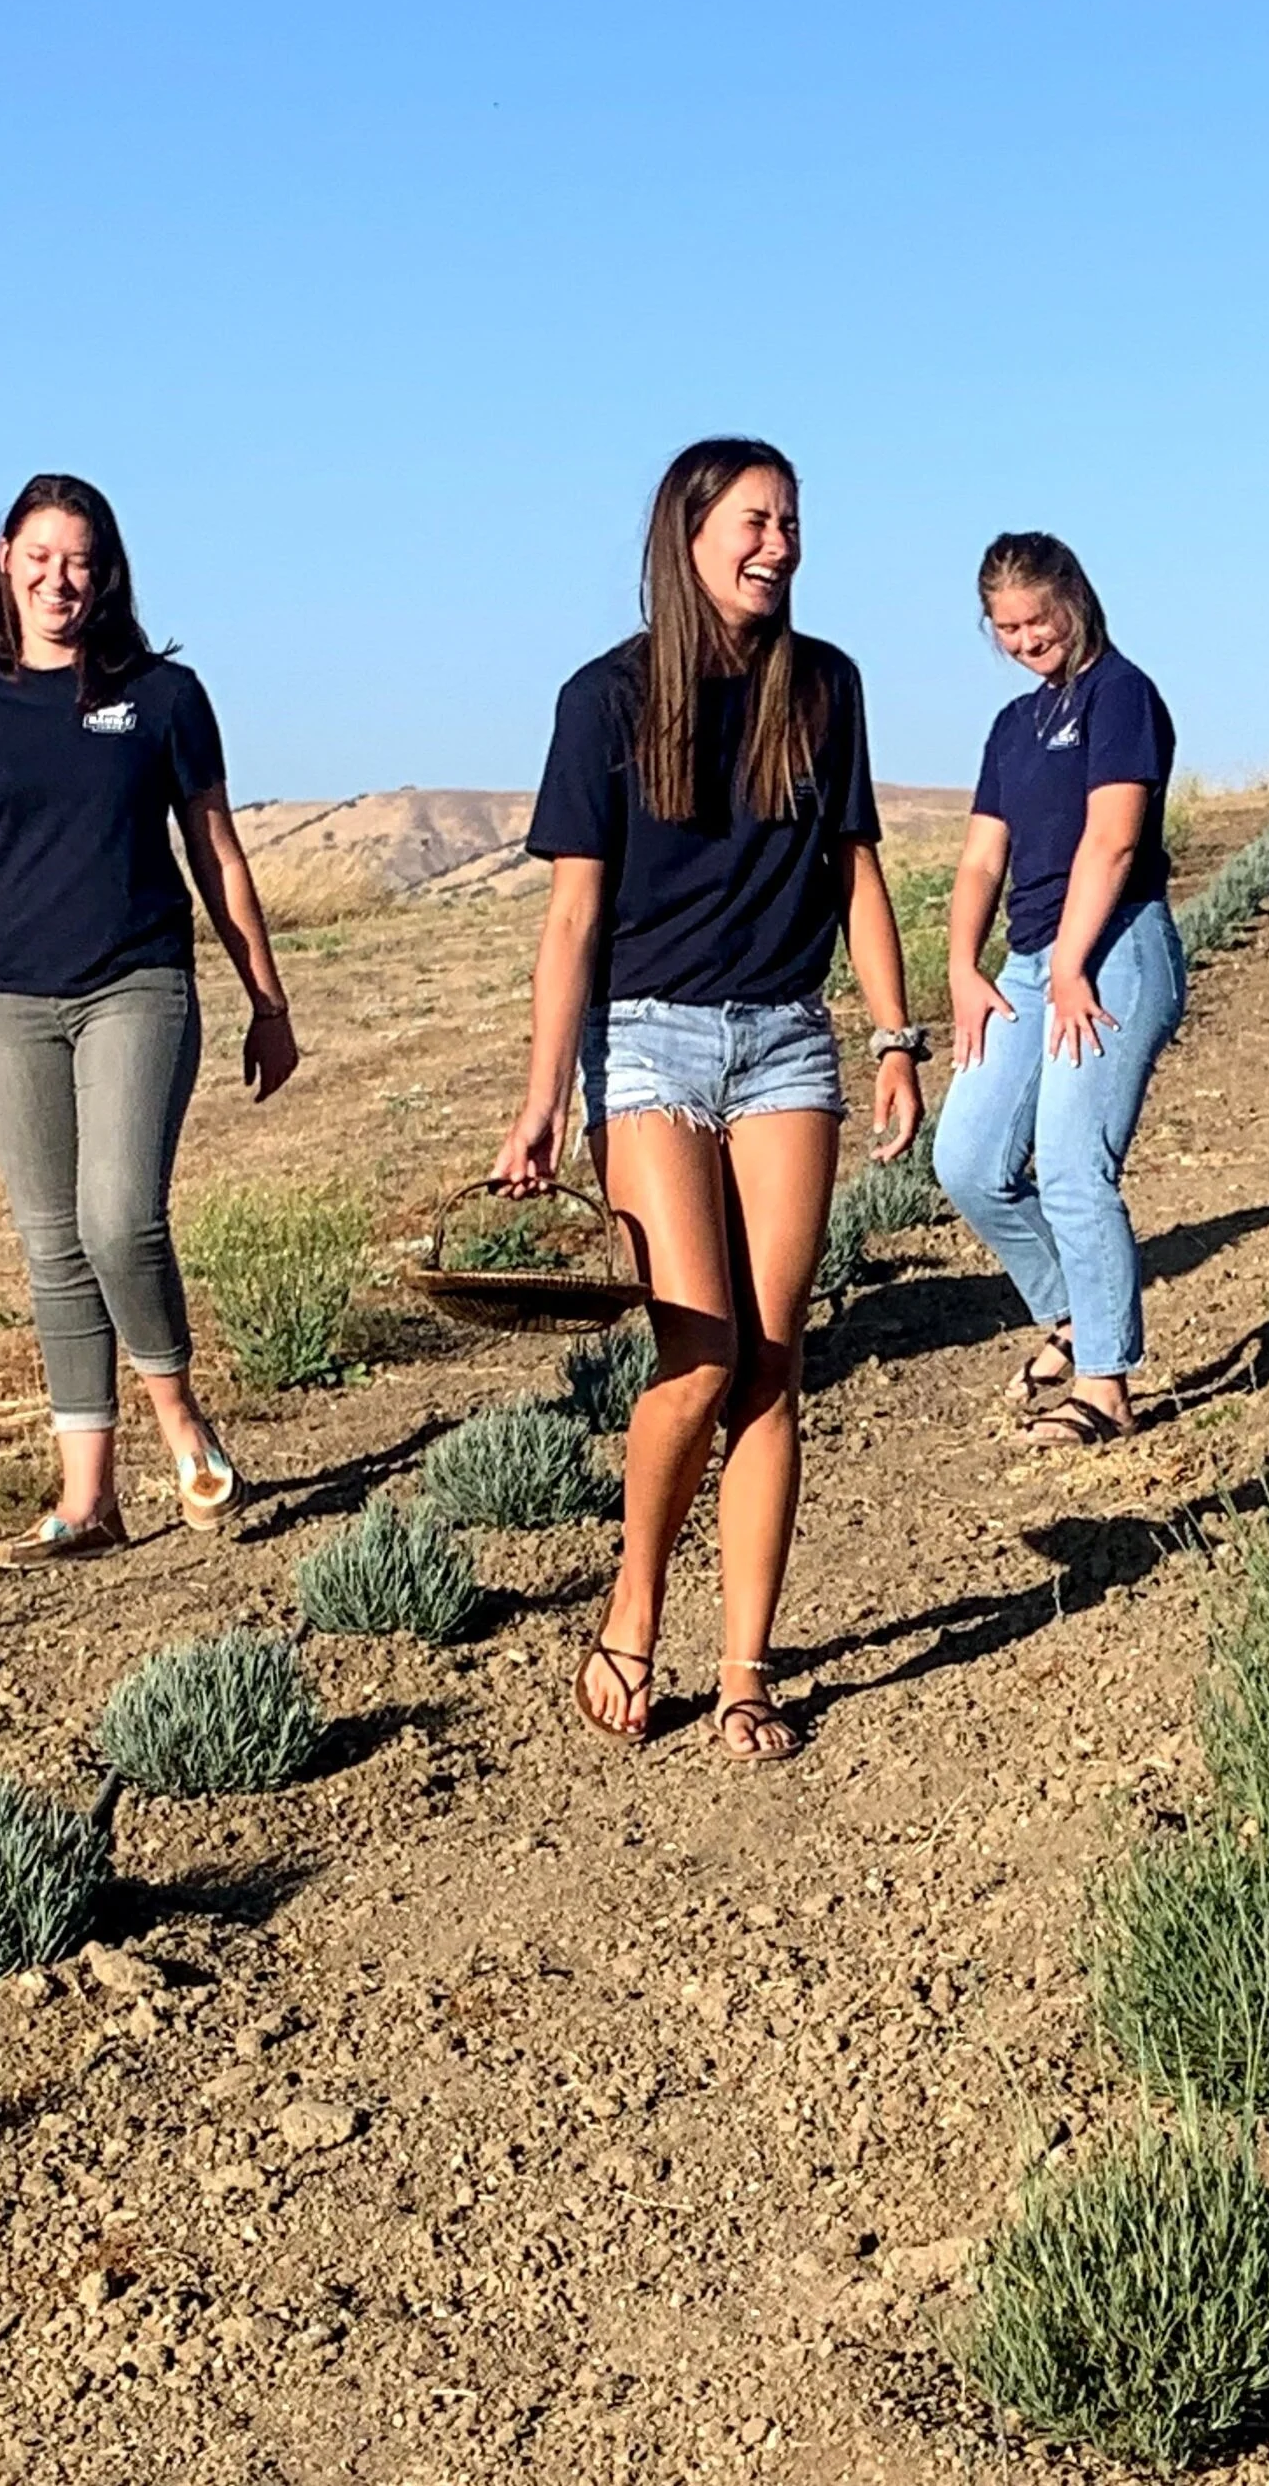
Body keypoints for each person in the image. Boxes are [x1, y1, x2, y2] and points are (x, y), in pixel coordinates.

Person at [494, 436, 923, 1758]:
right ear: (688, 536)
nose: (777, 546)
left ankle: (745, 1670)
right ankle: (634, 1605)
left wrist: (897, 1038)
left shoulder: (827, 687)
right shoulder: (604, 702)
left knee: (776, 1356)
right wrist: (540, 1100)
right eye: (753, 521)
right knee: (700, 1352)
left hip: (790, 1042)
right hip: (646, 1049)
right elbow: (571, 921)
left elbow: (856, 872)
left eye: (791, 523)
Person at [0, 473, 298, 1563]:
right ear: (5, 558)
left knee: (117, 1218)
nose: (60, 579)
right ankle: (88, 1498)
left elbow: (217, 852)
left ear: (106, 575)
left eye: (82, 560)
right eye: (41, 556)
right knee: (54, 1246)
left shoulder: (161, 696)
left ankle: (178, 1416)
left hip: (136, 985)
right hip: (5, 1002)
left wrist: (267, 996)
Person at [933, 533, 1187, 1446]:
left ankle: (1107, 1385)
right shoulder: (1014, 725)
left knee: (1076, 1167)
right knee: (966, 1161)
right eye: (1005, 626)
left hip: (1115, 948)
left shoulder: (1123, 696)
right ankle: (1076, 1316)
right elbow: (979, 859)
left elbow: (1112, 841)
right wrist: (963, 969)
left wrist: (1075, 962)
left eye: (1037, 618)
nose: (1025, 638)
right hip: (1030, 963)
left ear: (1074, 597)